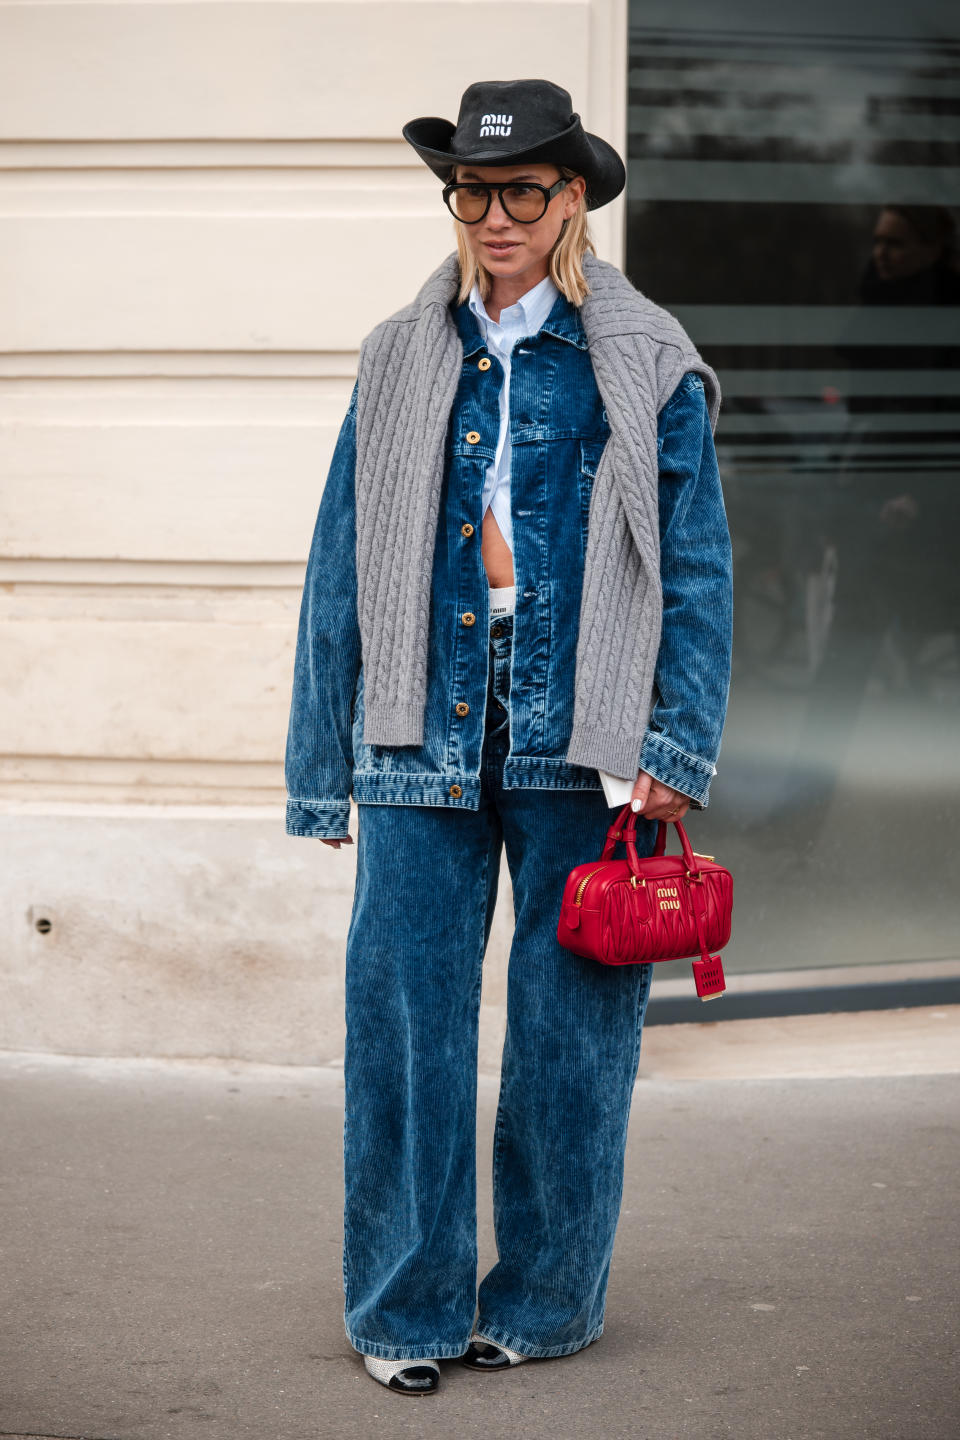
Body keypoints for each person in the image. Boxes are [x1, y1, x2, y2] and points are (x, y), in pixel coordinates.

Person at [284, 79, 733, 1395]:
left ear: (573, 198)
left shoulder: (644, 358)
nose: (492, 217)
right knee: (406, 1037)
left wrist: (678, 736)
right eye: (471, 192)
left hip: (579, 739)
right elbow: (339, 565)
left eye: (521, 193)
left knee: (567, 1048)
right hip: (420, 732)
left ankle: (541, 1301)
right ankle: (407, 1314)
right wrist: (325, 764)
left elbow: (695, 568)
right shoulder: (397, 352)